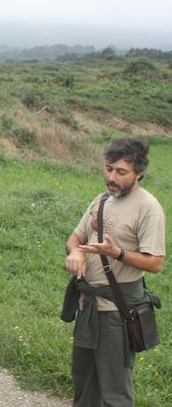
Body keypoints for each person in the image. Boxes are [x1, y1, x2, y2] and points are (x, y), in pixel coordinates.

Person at [62, 137, 165, 406]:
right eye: (108, 168)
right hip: (89, 309)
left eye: (121, 172)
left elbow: (156, 263)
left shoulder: (148, 208)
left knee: (115, 393)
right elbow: (75, 238)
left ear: (139, 173)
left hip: (118, 313)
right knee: (83, 384)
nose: (111, 177)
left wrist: (117, 253)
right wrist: (75, 252)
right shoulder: (102, 200)